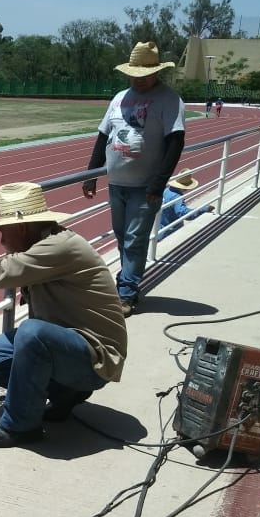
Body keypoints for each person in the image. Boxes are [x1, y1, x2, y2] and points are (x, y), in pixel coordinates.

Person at [0, 182, 127, 449]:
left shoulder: (58, 247)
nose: (1, 239)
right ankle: (65, 393)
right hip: (72, 346)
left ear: (21, 227)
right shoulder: (44, 244)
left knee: (32, 332)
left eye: (2, 231)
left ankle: (21, 426)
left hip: (97, 359)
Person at [82, 41, 186, 318]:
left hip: (145, 187)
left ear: (156, 73)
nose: (138, 79)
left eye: (144, 74)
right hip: (116, 183)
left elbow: (175, 142)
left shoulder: (169, 99)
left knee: (134, 240)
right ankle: (127, 286)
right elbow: (104, 136)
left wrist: (158, 183)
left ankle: (126, 294)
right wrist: (91, 174)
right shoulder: (119, 97)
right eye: (134, 74)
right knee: (122, 238)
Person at [159, 170, 214, 237]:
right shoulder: (177, 197)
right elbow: (183, 213)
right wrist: (203, 209)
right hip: (171, 231)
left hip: (160, 228)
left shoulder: (166, 190)